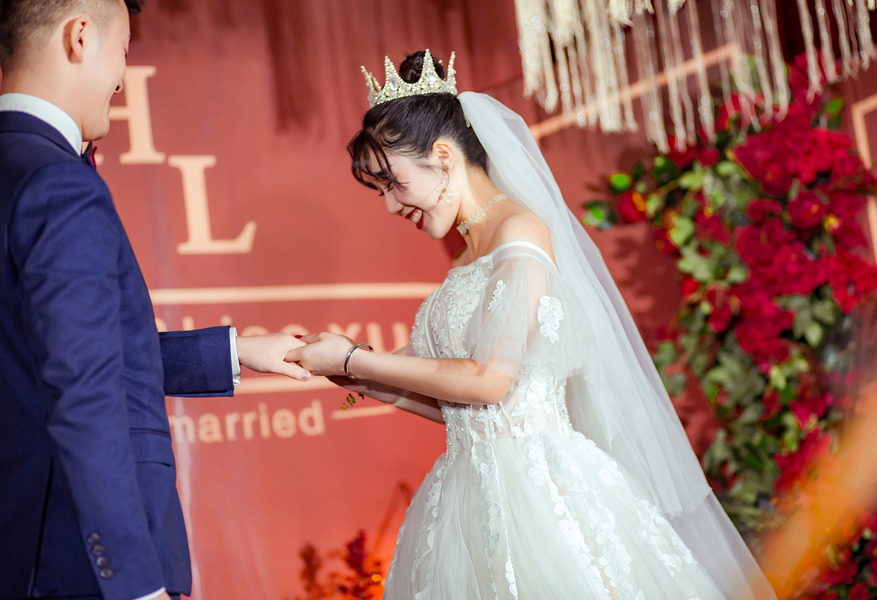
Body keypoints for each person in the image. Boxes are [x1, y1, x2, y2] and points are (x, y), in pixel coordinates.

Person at [289, 50, 776, 599]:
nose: (390, 207)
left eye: (393, 183)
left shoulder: (520, 232)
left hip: (539, 493)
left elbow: (490, 380)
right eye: (380, 191)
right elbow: (466, 409)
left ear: (443, 156)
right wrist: (362, 376)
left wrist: (356, 358)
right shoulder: (466, 260)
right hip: (467, 494)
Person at [0, 1, 310, 599]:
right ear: (80, 37)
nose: (122, 76)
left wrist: (235, 351)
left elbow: (52, 353)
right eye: (125, 49)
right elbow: (84, 393)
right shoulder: (58, 182)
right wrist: (137, 586)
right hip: (73, 561)